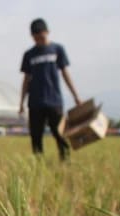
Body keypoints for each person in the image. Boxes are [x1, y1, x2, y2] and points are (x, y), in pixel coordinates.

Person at [19, 18, 82, 160]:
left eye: (41, 37)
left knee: (60, 133)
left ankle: (65, 161)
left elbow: (65, 74)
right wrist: (21, 103)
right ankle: (38, 163)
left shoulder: (57, 50)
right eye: (35, 39)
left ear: (47, 32)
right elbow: (26, 80)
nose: (39, 41)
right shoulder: (29, 55)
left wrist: (76, 96)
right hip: (35, 102)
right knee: (36, 136)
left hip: (54, 101)